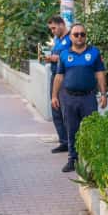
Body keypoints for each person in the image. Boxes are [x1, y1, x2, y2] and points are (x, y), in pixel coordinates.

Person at [51, 24, 108, 173]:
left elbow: (100, 74)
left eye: (82, 34)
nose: (79, 37)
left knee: (91, 129)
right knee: (71, 129)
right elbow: (59, 76)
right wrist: (54, 96)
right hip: (69, 98)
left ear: (86, 36)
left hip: (88, 98)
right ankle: (72, 159)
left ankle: (91, 161)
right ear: (71, 37)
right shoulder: (64, 54)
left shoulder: (94, 53)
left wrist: (103, 94)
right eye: (76, 34)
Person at [44, 15, 71, 154]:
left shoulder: (71, 38)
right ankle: (63, 141)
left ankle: (70, 141)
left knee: (65, 110)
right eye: (51, 29)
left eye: (54, 28)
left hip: (65, 78)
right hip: (55, 76)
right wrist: (50, 58)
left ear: (62, 24)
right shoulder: (57, 39)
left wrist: (55, 58)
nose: (53, 31)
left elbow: (73, 55)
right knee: (56, 109)